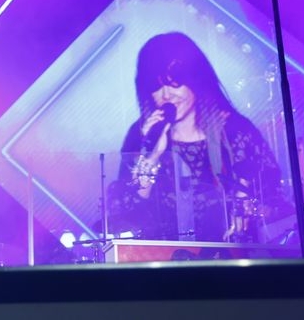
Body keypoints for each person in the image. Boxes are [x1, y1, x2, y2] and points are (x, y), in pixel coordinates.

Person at [108, 32, 284, 243]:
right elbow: (126, 211)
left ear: (195, 80)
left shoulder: (234, 131)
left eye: (175, 83)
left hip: (230, 263)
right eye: (156, 86)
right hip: (164, 263)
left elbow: (273, 198)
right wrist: (152, 155)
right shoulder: (141, 135)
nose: (166, 95)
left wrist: (245, 210)